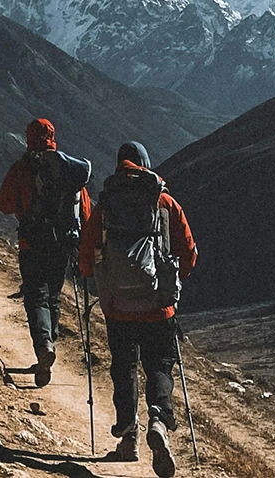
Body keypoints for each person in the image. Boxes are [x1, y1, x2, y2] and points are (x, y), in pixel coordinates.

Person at [78, 142, 197, 475]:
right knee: (160, 366)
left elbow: (86, 258)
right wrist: (171, 281)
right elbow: (189, 253)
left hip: (118, 308)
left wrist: (95, 277)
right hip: (159, 307)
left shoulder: (105, 206)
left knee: (124, 367)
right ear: (146, 166)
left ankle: (128, 439)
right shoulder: (164, 203)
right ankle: (158, 419)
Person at [0, 118, 91, 388]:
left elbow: (3, 203)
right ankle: (48, 349)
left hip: (32, 242)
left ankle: (43, 347)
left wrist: (22, 207)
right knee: (53, 297)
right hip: (62, 245)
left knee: (35, 295)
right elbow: (84, 211)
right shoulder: (69, 170)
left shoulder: (23, 167)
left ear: (28, 138)